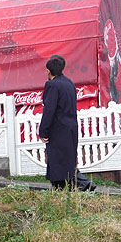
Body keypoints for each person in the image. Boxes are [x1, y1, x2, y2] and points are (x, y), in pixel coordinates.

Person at [39, 54, 78, 189]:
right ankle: (71, 188)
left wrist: (43, 130)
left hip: (58, 129)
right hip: (71, 128)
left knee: (57, 162)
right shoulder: (69, 83)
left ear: (48, 71)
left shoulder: (52, 85)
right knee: (69, 161)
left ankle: (59, 191)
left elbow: (49, 110)